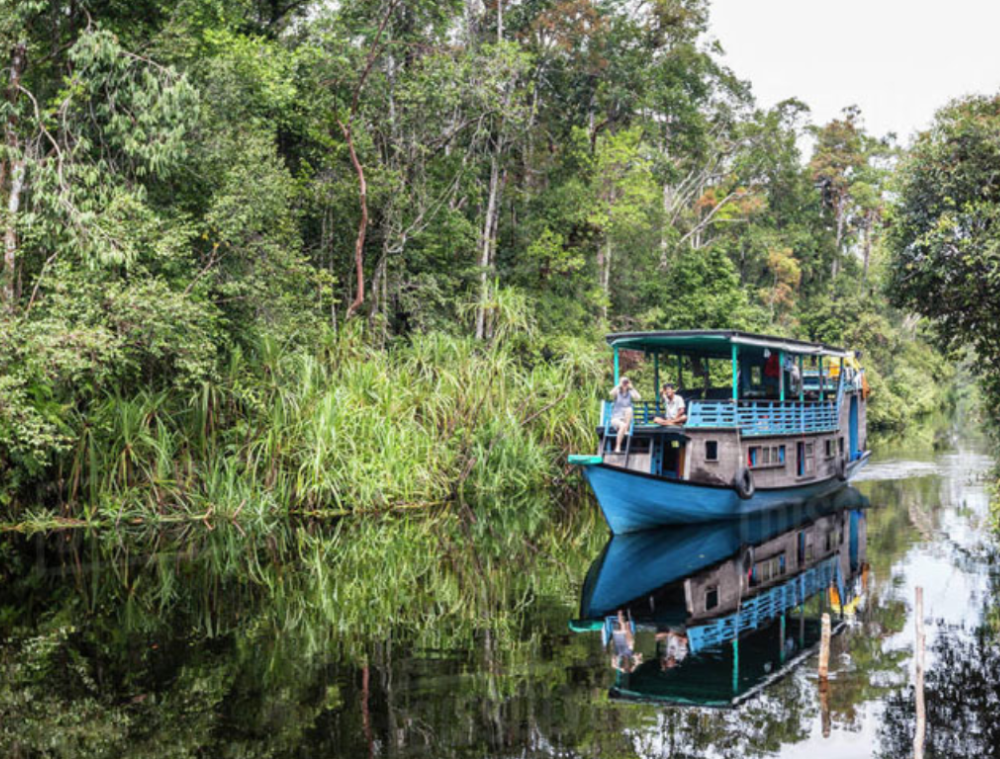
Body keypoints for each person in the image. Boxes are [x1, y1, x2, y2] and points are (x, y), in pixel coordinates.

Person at [609, 377, 639, 453]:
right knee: (622, 425)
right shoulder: (617, 392)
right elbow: (611, 393)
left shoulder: (630, 392)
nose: (625, 384)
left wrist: (632, 388)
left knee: (629, 409)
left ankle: (626, 430)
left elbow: (638, 397)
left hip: (626, 419)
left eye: (626, 382)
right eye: (624, 382)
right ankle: (618, 446)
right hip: (616, 418)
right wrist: (619, 385)